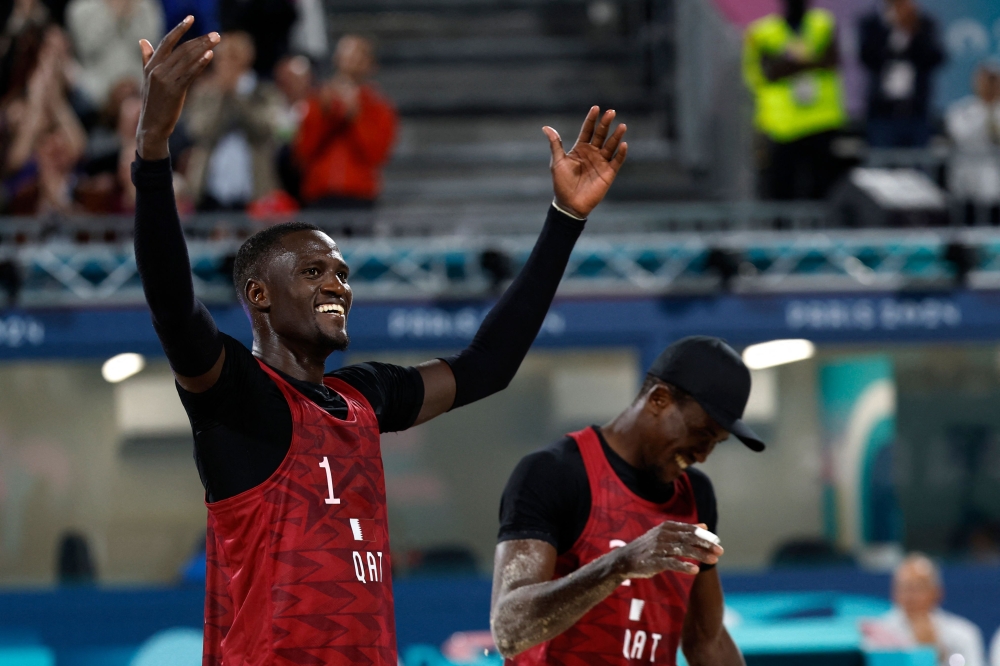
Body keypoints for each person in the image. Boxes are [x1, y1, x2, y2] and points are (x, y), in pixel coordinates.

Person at [133, 17, 628, 665]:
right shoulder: (239, 400)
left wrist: (565, 219)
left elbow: (487, 367)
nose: (337, 284)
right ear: (259, 295)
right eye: (313, 271)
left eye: (341, 272)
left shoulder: (364, 396)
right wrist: (152, 147)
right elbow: (172, 305)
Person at [491, 336, 764, 664]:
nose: (702, 456)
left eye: (716, 443)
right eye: (701, 434)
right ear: (659, 399)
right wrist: (619, 564)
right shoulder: (554, 472)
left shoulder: (695, 494)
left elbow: (707, 641)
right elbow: (510, 631)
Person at [743, 0, 846, 200]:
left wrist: (788, 63)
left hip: (821, 120)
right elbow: (767, 73)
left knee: (821, 191)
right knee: (781, 189)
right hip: (782, 124)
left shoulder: (822, 24)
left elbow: (831, 60)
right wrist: (806, 61)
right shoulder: (763, 32)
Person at [182, 30, 283, 210]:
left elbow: (265, 129)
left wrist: (238, 95)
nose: (227, 63)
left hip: (255, 191)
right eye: (224, 56)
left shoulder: (265, 93)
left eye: (234, 56)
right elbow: (200, 130)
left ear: (248, 57)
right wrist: (222, 95)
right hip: (209, 189)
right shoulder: (205, 93)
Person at [294, 34, 396, 210]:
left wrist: (355, 118)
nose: (351, 63)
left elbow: (376, 155)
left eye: (359, 57)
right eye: (347, 56)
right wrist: (326, 116)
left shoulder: (379, 107)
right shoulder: (317, 101)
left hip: (360, 195)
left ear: (370, 64)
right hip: (320, 195)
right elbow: (303, 152)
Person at [868, 554, 985, 666]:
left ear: (937, 592)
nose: (910, 596)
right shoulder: (878, 634)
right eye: (904, 588)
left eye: (917, 588)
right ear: (894, 593)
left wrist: (937, 656)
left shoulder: (963, 634)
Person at [859, 0, 945, 149]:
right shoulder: (873, 24)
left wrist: (910, 29)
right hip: (882, 113)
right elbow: (868, 58)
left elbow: (936, 57)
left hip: (916, 112)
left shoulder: (924, 25)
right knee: (881, 165)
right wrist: (892, 29)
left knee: (918, 165)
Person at [66, 0, 163, 107]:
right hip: (97, 92)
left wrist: (129, 14)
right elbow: (87, 49)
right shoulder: (80, 8)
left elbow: (151, 46)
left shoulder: (146, 5)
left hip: (140, 85)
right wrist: (113, 13)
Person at [945, 61, 1000, 225]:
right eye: (986, 80)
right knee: (966, 225)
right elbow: (961, 134)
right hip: (967, 181)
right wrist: (986, 110)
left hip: (995, 181)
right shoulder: (961, 110)